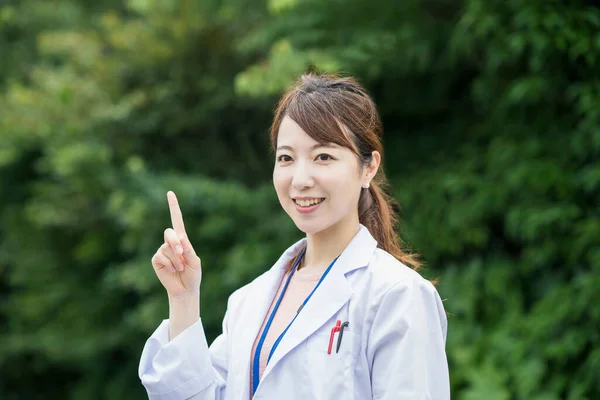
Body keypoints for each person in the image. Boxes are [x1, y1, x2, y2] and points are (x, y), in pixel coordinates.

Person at [138, 73, 450, 399]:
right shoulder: (248, 302)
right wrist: (184, 299)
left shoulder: (397, 297)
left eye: (323, 157)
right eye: (286, 158)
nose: (300, 179)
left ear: (368, 168)